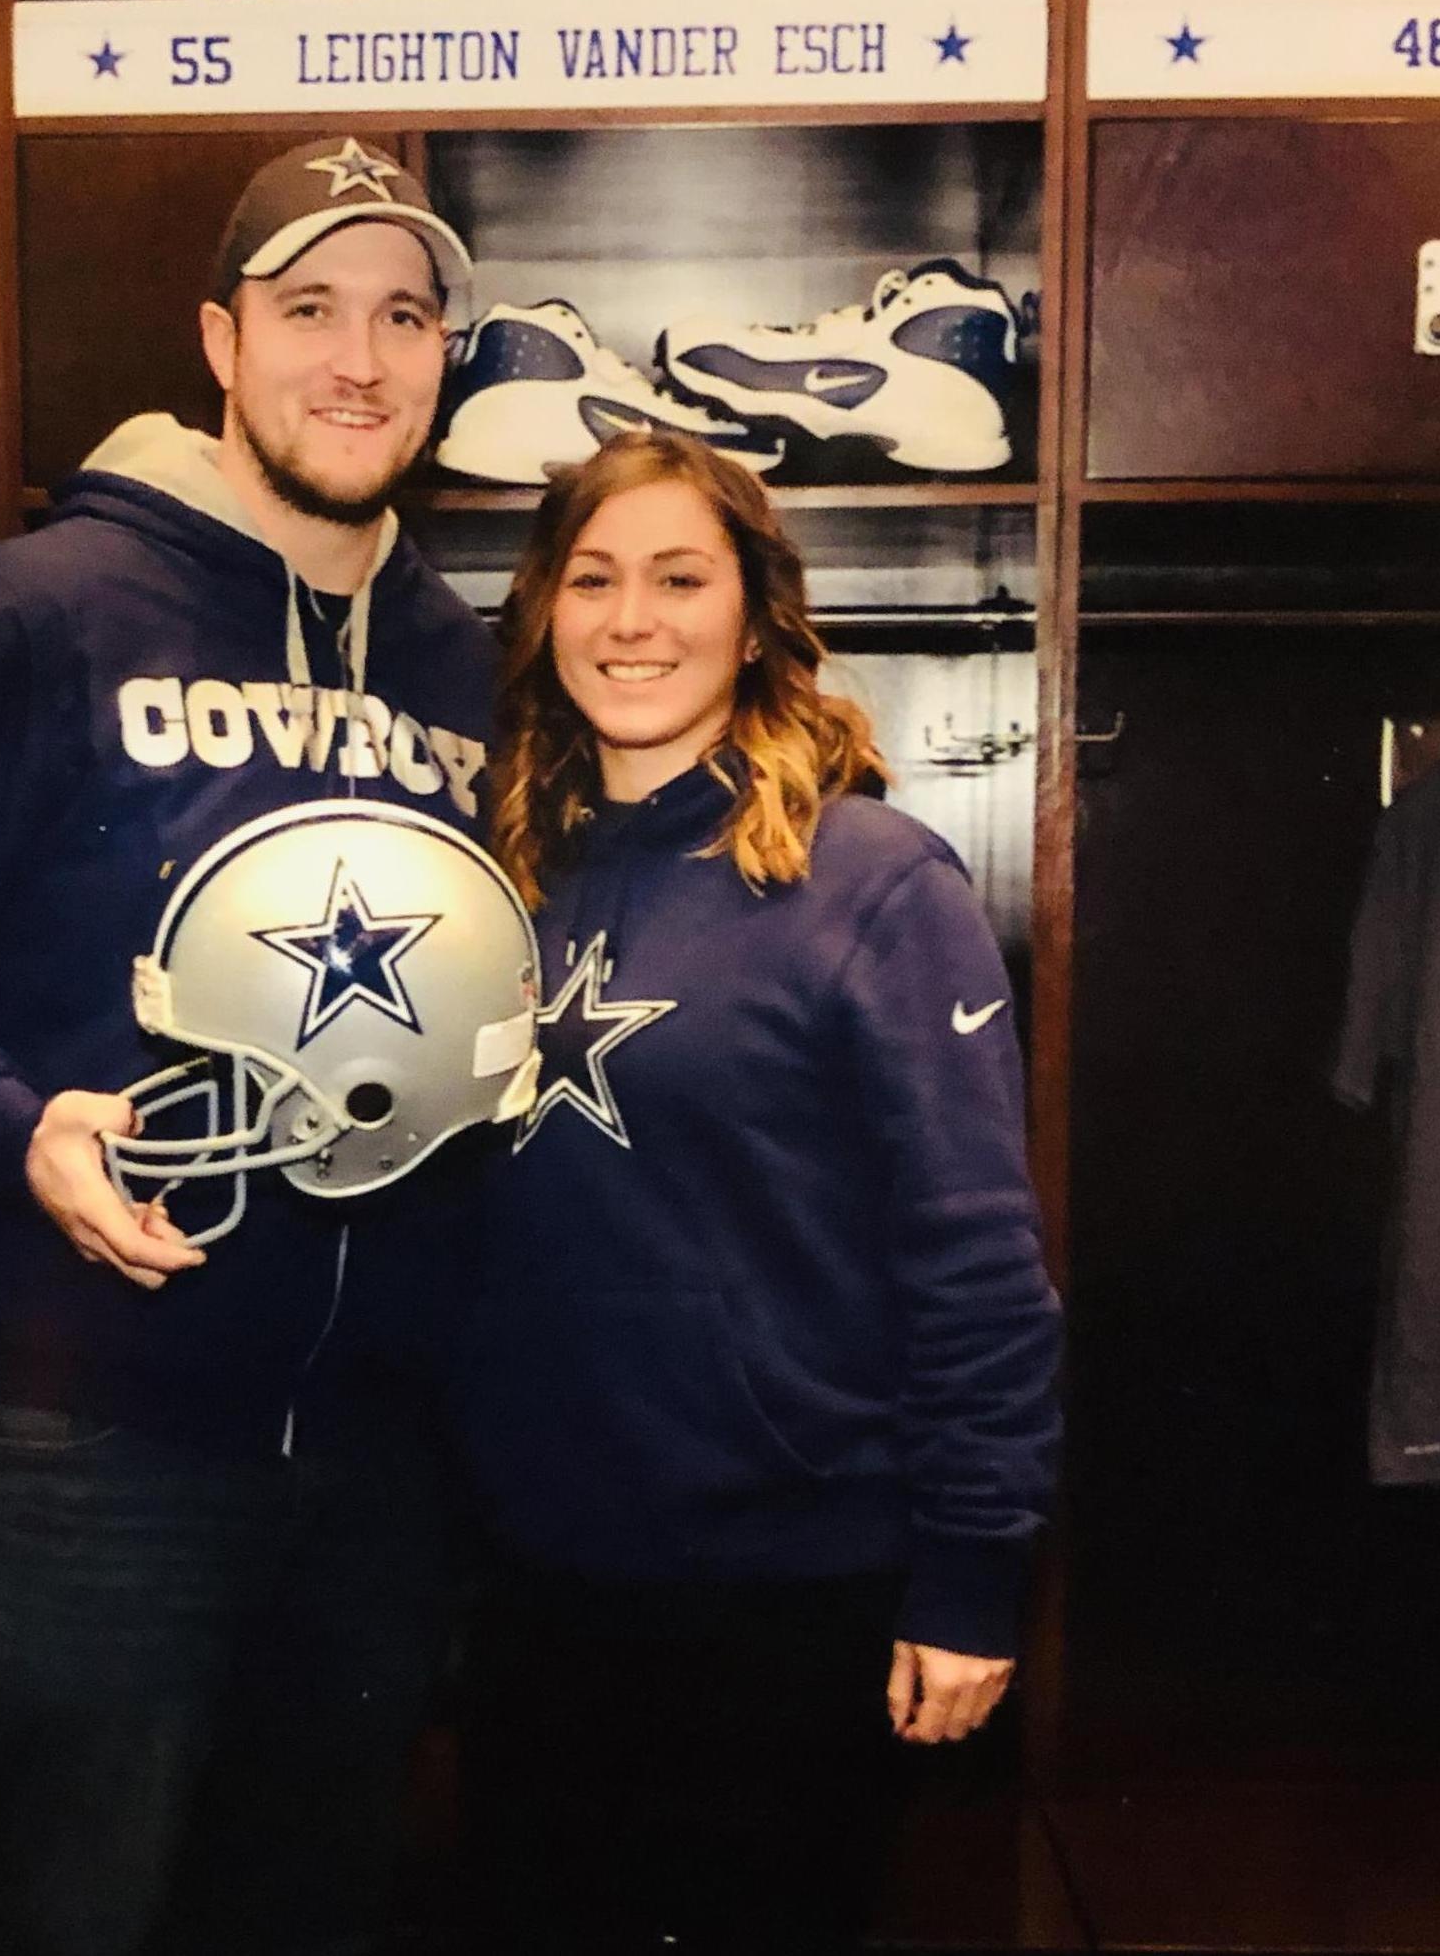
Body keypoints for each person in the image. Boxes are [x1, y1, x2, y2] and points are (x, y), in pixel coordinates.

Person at [0, 137, 500, 1956]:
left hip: (382, 1448)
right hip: (96, 1426)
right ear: (220, 340)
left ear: (443, 356)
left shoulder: (463, 660)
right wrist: (12, 1127)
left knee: (310, 1908)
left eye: (403, 316)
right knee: (64, 1910)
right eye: (308, 308)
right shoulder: (39, 607)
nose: (358, 359)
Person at [452, 430, 1062, 1954]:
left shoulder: (873, 882)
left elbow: (977, 1263)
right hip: (535, 1582)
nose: (631, 620)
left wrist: (970, 1575)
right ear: (541, 613)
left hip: (788, 1591)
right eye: (592, 579)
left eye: (679, 578)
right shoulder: (490, 882)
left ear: (751, 618)